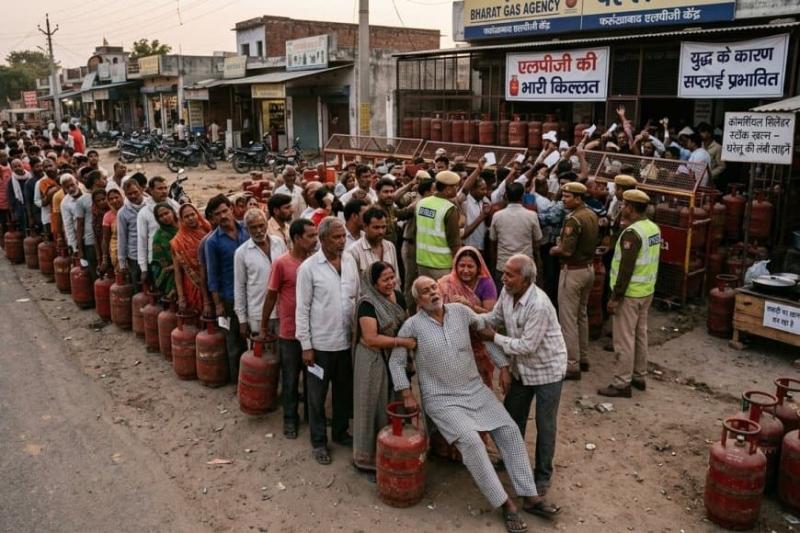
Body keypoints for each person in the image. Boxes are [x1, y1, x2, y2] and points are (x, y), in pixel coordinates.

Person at [390, 277, 559, 532]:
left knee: (510, 430)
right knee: (472, 442)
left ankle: (530, 496)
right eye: (425, 292)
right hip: (441, 399)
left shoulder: (460, 312)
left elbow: (485, 333)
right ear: (418, 301)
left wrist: (503, 366)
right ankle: (505, 504)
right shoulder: (411, 326)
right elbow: (396, 361)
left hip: (474, 390)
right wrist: (406, 393)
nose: (433, 293)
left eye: (434, 287)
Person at [477, 254, 567, 496]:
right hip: (522, 369)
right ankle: (510, 459)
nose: (503, 278)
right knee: (512, 417)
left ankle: (543, 475)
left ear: (526, 280)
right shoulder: (508, 293)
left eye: (510, 275)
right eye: (504, 273)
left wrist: (493, 337)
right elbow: (494, 318)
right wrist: (469, 318)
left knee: (545, 425)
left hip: (547, 370)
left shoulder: (539, 305)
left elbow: (527, 346)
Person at [295, 216, 358, 465]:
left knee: (343, 392)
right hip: (320, 345)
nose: (342, 241)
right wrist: (306, 346)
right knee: (316, 397)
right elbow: (302, 309)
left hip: (346, 342)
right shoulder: (308, 268)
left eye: (343, 236)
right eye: (336, 237)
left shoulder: (350, 261)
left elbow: (356, 297)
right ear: (322, 239)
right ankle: (319, 442)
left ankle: (340, 433)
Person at [598, 190, 661, 398]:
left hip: (630, 294)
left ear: (631, 208)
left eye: (624, 205)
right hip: (646, 291)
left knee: (624, 339)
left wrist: (615, 297)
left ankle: (621, 383)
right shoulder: (653, 228)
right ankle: (639, 376)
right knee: (640, 334)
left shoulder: (632, 233)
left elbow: (625, 269)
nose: (622, 208)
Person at [352, 261, 413, 475]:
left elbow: (407, 324)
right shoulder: (367, 303)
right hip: (372, 359)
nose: (390, 282)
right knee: (371, 404)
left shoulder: (400, 297)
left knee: (393, 402)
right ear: (373, 282)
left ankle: (392, 451)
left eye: (392, 277)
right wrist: (401, 342)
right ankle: (366, 458)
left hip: (395, 358)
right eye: (385, 279)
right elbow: (371, 338)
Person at [260, 219, 318, 439]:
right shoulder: (281, 263)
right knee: (291, 379)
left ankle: (311, 416)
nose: (315, 240)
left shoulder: (316, 261)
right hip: (290, 332)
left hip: (314, 332)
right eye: (310, 236)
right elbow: (271, 296)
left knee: (313, 379)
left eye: (316, 235)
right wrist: (264, 325)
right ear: (296, 238)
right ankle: (290, 419)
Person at [549, 182, 599, 380]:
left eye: (567, 196)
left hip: (573, 272)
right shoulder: (591, 214)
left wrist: (555, 249)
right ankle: (583, 358)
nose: (563, 200)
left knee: (568, 319)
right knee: (581, 316)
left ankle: (571, 364)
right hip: (588, 269)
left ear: (578, 198)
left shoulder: (574, 219)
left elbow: (567, 251)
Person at [205, 194, 250, 383]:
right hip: (229, 297)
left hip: (252, 294)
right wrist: (218, 304)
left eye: (225, 211)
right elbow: (212, 275)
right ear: (213, 218)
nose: (223, 216)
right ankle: (237, 382)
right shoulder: (212, 242)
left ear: (231, 209)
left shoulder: (246, 230)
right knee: (234, 342)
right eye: (217, 214)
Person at [437, 246, 497, 387]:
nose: (465, 270)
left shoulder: (486, 284)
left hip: (479, 340)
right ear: (455, 265)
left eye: (470, 266)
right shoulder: (446, 284)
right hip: (453, 342)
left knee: (481, 384)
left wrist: (469, 306)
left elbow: (491, 317)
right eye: (461, 265)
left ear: (478, 268)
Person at [234, 208, 287, 340]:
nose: (258, 230)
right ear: (247, 229)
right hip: (257, 314)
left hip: (281, 310)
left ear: (266, 224)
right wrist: (242, 320)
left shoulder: (279, 243)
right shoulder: (241, 253)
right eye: (253, 227)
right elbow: (239, 286)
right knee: (261, 350)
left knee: (282, 349)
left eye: (261, 225)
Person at [489, 182, 543, 287]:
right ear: (522, 196)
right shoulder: (532, 215)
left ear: (506, 196)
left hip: (504, 265)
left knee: (504, 296)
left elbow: (493, 241)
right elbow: (537, 240)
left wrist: (493, 266)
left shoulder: (497, 216)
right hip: (525, 267)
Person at [415, 170, 461, 280]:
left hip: (422, 261)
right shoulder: (449, 209)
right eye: (455, 186)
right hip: (441, 264)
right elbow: (454, 242)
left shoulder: (421, 203)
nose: (457, 189)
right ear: (448, 189)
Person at [138, 176, 180, 285]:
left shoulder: (175, 206)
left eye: (165, 188)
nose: (164, 191)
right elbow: (142, 241)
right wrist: (143, 269)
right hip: (158, 261)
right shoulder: (144, 213)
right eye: (160, 189)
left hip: (179, 258)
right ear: (151, 190)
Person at [171, 203, 212, 315]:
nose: (191, 218)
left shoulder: (207, 229)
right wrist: (181, 297)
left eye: (192, 214)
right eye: (186, 217)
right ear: (181, 220)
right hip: (193, 283)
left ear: (197, 214)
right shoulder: (178, 242)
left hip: (212, 279)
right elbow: (178, 272)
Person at [347, 206, 399, 284]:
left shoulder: (390, 246)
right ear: (365, 227)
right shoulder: (354, 251)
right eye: (376, 228)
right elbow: (352, 283)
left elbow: (396, 278)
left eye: (383, 227)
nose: (381, 231)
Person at [60, 173, 97, 279]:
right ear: (63, 189)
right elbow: (68, 226)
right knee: (90, 266)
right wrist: (75, 247)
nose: (71, 189)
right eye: (67, 187)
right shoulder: (65, 203)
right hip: (83, 238)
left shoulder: (88, 192)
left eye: (72, 185)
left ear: (77, 183)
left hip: (97, 232)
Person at [117, 179, 147, 291]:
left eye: (135, 192)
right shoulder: (122, 213)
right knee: (138, 288)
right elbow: (122, 238)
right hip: (134, 256)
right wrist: (122, 263)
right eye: (129, 194)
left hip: (151, 253)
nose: (133, 196)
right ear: (125, 194)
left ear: (141, 190)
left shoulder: (150, 206)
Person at [148, 202, 179, 299]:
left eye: (166, 213)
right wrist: (177, 265)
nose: (165, 217)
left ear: (172, 212)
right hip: (173, 273)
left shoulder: (184, 226)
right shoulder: (159, 237)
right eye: (161, 216)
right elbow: (162, 265)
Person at [100, 188, 124, 275]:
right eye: (111, 199)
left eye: (116, 197)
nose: (114, 200)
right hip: (116, 252)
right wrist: (105, 259)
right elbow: (105, 238)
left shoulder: (129, 211)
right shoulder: (108, 216)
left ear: (122, 196)